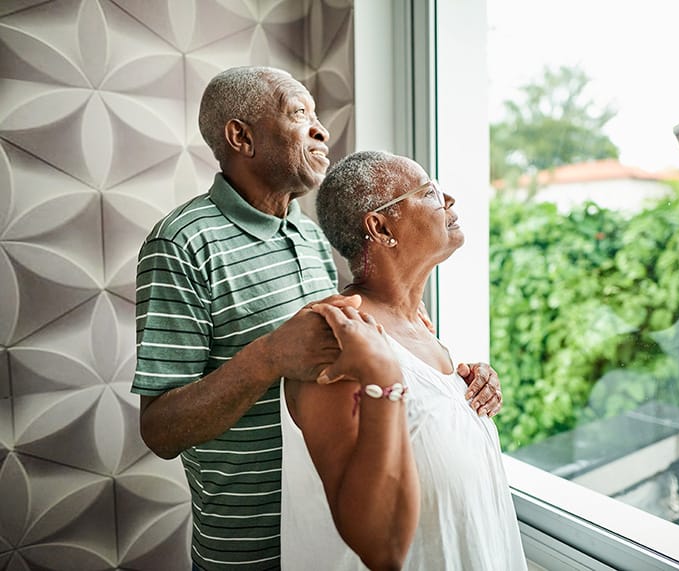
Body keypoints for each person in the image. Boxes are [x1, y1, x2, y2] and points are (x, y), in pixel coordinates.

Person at [131, 66, 503, 570]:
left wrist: (448, 392)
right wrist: (268, 356)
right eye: (298, 113)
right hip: (250, 545)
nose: (321, 129)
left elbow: (345, 359)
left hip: (332, 531)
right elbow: (159, 431)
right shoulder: (181, 243)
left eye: (316, 115)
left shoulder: (307, 237)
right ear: (241, 136)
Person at [280, 150, 526, 570]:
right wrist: (383, 377)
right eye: (429, 192)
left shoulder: (423, 328)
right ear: (380, 226)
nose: (448, 199)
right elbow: (380, 546)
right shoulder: (335, 339)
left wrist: (467, 398)